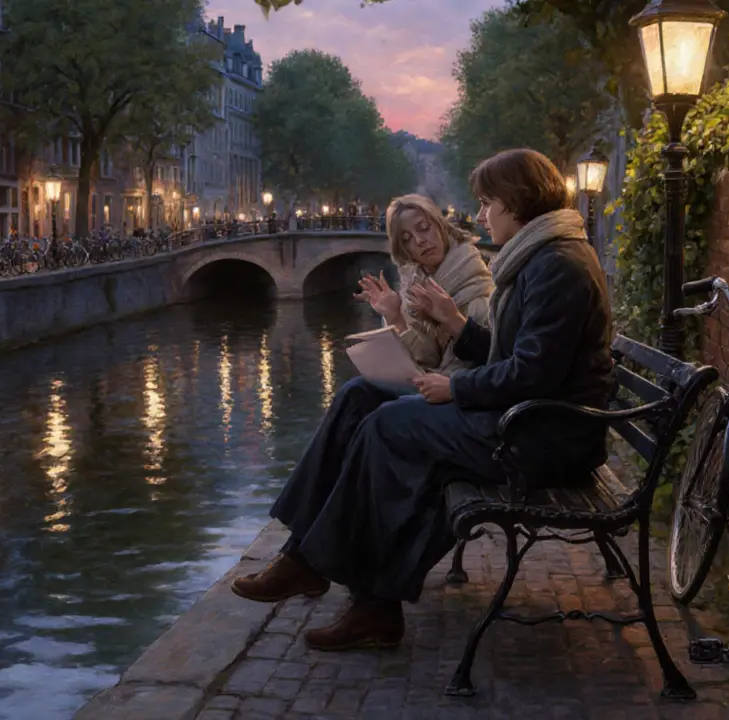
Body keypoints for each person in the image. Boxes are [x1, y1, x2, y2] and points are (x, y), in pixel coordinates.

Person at [231, 148, 613, 652]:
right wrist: (458, 329)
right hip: (532, 420)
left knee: (388, 427)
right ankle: (314, 564)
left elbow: (533, 372)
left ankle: (351, 591)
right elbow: (511, 354)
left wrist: (455, 387)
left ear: (516, 202)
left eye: (486, 203)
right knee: (362, 397)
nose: (479, 216)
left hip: (546, 436)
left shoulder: (557, 265)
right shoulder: (543, 257)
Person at [352, 194, 494, 375]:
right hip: (428, 382)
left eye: (424, 228)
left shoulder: (475, 283)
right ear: (404, 250)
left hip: (461, 387)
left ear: (441, 226)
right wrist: (395, 317)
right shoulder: (414, 285)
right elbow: (427, 358)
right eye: (406, 239)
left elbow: (471, 364)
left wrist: (450, 318)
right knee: (356, 388)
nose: (419, 241)